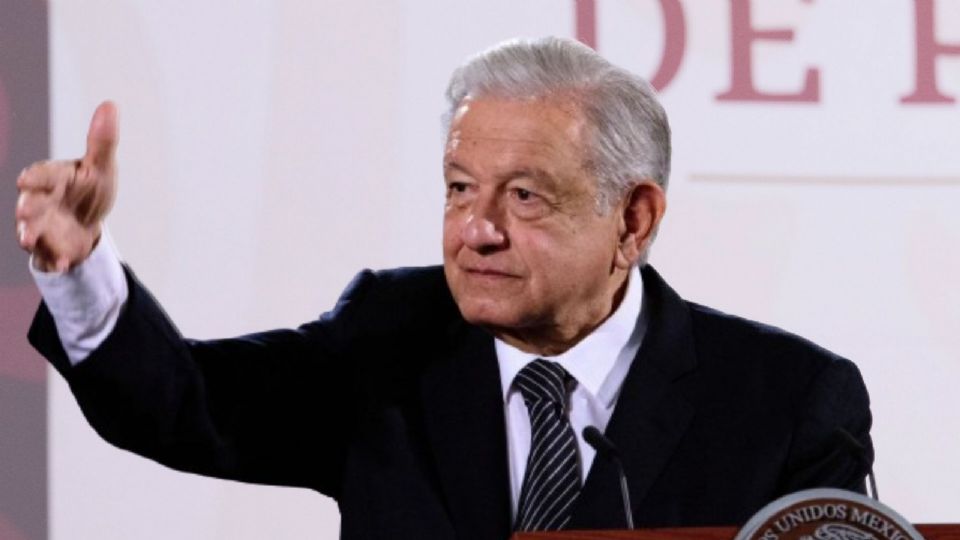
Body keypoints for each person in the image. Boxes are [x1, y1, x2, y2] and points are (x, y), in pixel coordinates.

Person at [15, 37, 872, 539]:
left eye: (524, 195)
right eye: (460, 188)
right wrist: (81, 267)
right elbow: (187, 404)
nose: (476, 229)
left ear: (634, 220)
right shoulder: (388, 341)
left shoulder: (787, 401)